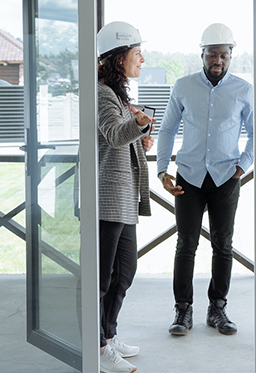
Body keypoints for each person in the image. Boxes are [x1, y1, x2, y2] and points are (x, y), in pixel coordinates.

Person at [156, 23, 254, 336]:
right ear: (202, 54)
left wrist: (243, 166)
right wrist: (161, 170)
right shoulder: (183, 86)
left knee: (223, 245)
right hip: (189, 177)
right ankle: (183, 311)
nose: (218, 60)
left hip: (226, 177)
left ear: (230, 56)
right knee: (186, 244)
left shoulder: (243, 89)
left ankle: (218, 309)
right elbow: (168, 129)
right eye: (212, 53)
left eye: (224, 54)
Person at [97, 21, 156, 373]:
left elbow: (121, 138)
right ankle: (99, 346)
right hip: (108, 197)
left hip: (123, 197)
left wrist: (141, 137)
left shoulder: (118, 95)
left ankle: (108, 332)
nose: (142, 60)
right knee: (104, 277)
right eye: (137, 54)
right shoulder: (103, 92)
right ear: (119, 59)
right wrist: (139, 127)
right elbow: (113, 134)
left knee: (125, 271)